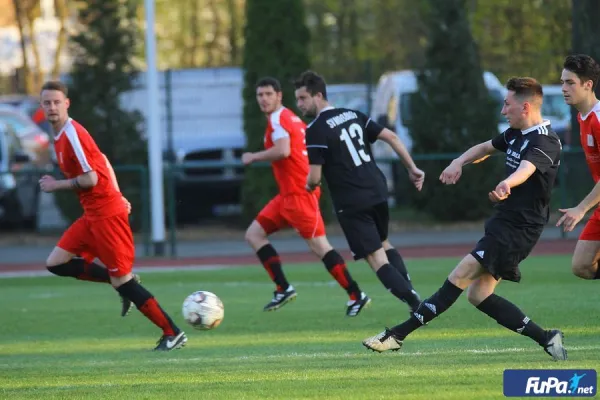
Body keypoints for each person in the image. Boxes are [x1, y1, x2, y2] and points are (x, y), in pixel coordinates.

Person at [361, 77, 567, 361]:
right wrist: (458, 162)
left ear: (526, 107)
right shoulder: (515, 133)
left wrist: (509, 183)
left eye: (507, 105)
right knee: (477, 295)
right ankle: (547, 338)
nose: (503, 111)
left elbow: (527, 168)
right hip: (504, 222)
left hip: (519, 229)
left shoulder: (545, 140)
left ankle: (396, 335)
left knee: (458, 276)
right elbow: (484, 148)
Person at [39, 80, 187, 351]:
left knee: (123, 279)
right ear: (42, 106)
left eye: (56, 102)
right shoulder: (59, 137)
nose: (52, 107)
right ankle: (119, 282)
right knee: (56, 263)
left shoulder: (73, 133)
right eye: (47, 102)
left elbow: (91, 178)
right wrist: (119, 193)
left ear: (67, 103)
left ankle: (172, 332)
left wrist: (56, 185)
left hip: (106, 215)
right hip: (92, 214)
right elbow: (103, 160)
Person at [293, 70, 423, 313]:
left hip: (352, 200)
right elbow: (392, 136)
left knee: (375, 258)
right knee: (384, 242)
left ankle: (416, 304)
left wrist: (309, 186)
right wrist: (412, 168)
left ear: (318, 95)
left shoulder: (315, 129)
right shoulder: (353, 115)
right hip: (377, 189)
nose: (299, 104)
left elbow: (315, 177)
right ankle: (410, 290)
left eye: (302, 98)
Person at [242, 77, 370, 316]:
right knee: (254, 234)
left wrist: (253, 156)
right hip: (287, 195)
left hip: (300, 194)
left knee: (320, 246)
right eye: (260, 95)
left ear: (279, 96)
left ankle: (356, 295)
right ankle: (283, 288)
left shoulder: (280, 118)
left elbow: (283, 150)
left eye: (268, 94)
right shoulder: (289, 117)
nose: (263, 99)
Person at [557, 54, 600, 281]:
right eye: (562, 82)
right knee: (582, 265)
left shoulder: (599, 119)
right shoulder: (582, 117)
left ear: (588, 85)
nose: (564, 88)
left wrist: (581, 208)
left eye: (570, 82)